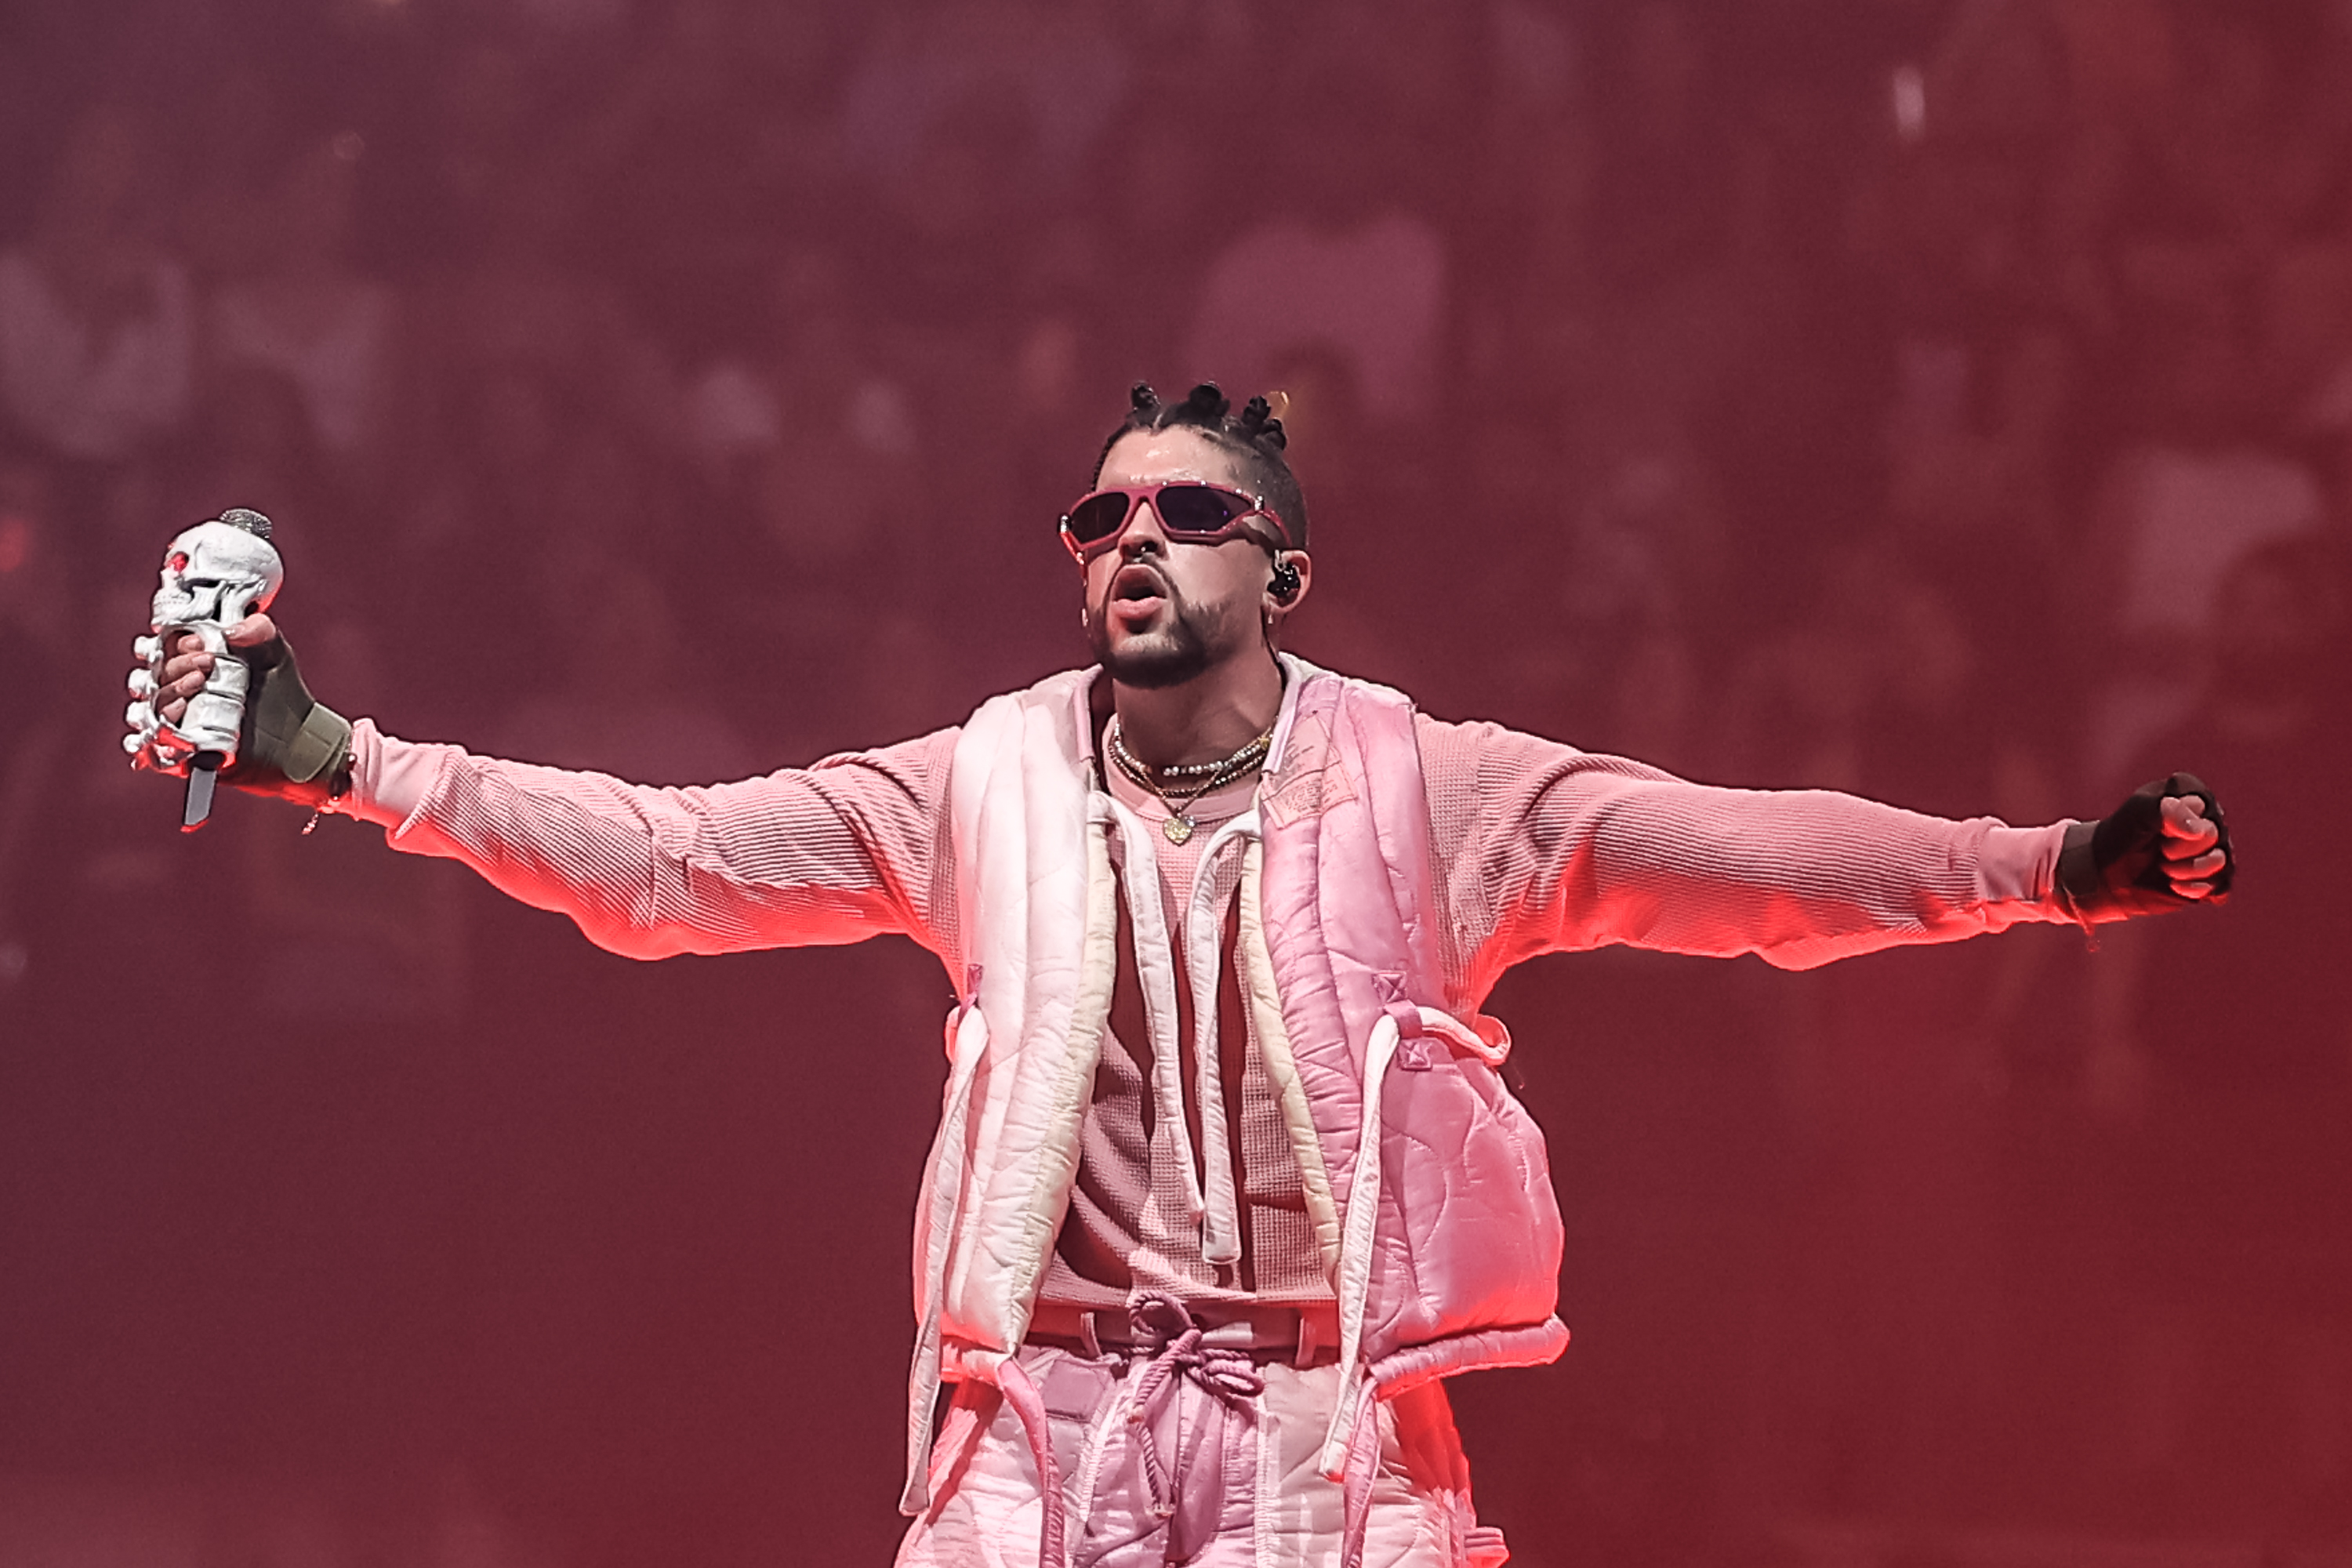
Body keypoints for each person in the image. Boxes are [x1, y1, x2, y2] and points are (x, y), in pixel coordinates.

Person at [134, 381, 2232, 1568]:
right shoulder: (981, 781)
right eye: (1103, 515)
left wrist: (2040, 872)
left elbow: (1737, 858)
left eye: (1188, 511)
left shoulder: (1430, 786)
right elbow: (674, 865)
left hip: (1327, 1439)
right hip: (1032, 1435)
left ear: (1283, 567)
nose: (1132, 538)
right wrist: (355, 765)